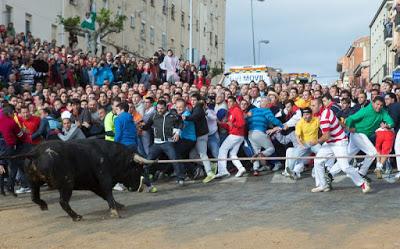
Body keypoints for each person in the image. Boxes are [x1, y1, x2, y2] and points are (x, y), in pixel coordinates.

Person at [310, 98, 371, 193]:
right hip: (330, 142)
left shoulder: (324, 118)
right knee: (317, 161)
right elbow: (337, 121)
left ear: (320, 106)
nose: (311, 107)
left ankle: (363, 183)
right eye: (311, 105)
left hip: (339, 142)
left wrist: (315, 142)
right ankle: (323, 185)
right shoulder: (328, 111)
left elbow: (326, 136)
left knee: (344, 167)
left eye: (313, 105)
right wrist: (347, 128)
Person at [344, 96, 394, 179]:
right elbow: (351, 118)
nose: (379, 107)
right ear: (373, 103)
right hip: (358, 134)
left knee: (348, 155)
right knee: (373, 153)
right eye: (377, 104)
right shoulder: (366, 110)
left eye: (381, 105)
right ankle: (361, 173)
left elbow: (391, 122)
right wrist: (349, 128)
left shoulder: (383, 112)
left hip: (361, 135)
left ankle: (330, 173)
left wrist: (387, 125)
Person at [141, 100, 183, 192]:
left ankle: (180, 178)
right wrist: (140, 126)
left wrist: (177, 133)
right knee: (148, 160)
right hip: (156, 143)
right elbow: (147, 126)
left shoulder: (172, 116)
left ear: (166, 107)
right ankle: (145, 178)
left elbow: (180, 123)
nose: (159, 110)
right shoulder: (154, 115)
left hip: (168, 142)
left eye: (162, 108)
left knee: (174, 159)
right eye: (158, 108)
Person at [246, 96, 283, 176]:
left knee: (256, 151)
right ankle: (261, 154)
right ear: (268, 104)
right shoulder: (266, 110)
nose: (261, 102)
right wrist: (282, 125)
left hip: (250, 133)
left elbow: (247, 120)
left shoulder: (252, 110)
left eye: (262, 101)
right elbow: (273, 119)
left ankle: (255, 169)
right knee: (271, 149)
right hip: (259, 132)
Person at [212, 96, 247, 180]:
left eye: (231, 101)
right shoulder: (231, 111)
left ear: (235, 102)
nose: (229, 103)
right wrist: (220, 123)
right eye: (228, 102)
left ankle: (223, 171)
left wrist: (233, 125)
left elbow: (242, 123)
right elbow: (229, 125)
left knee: (222, 149)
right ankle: (241, 168)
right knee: (232, 154)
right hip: (238, 135)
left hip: (235, 135)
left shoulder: (236, 110)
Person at [182, 93, 212, 181]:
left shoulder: (198, 108)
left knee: (203, 154)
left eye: (194, 100)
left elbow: (194, 117)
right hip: (198, 135)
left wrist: (186, 118)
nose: (193, 102)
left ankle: (209, 172)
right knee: (192, 156)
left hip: (201, 135)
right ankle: (210, 165)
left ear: (198, 101)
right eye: (191, 100)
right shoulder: (196, 108)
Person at [285, 107, 320, 180]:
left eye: (307, 114)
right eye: (304, 115)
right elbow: (297, 136)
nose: (305, 116)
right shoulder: (300, 122)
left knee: (322, 153)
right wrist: (301, 146)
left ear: (311, 114)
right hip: (304, 144)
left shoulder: (316, 120)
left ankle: (317, 172)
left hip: (314, 143)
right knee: (296, 157)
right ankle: (293, 172)